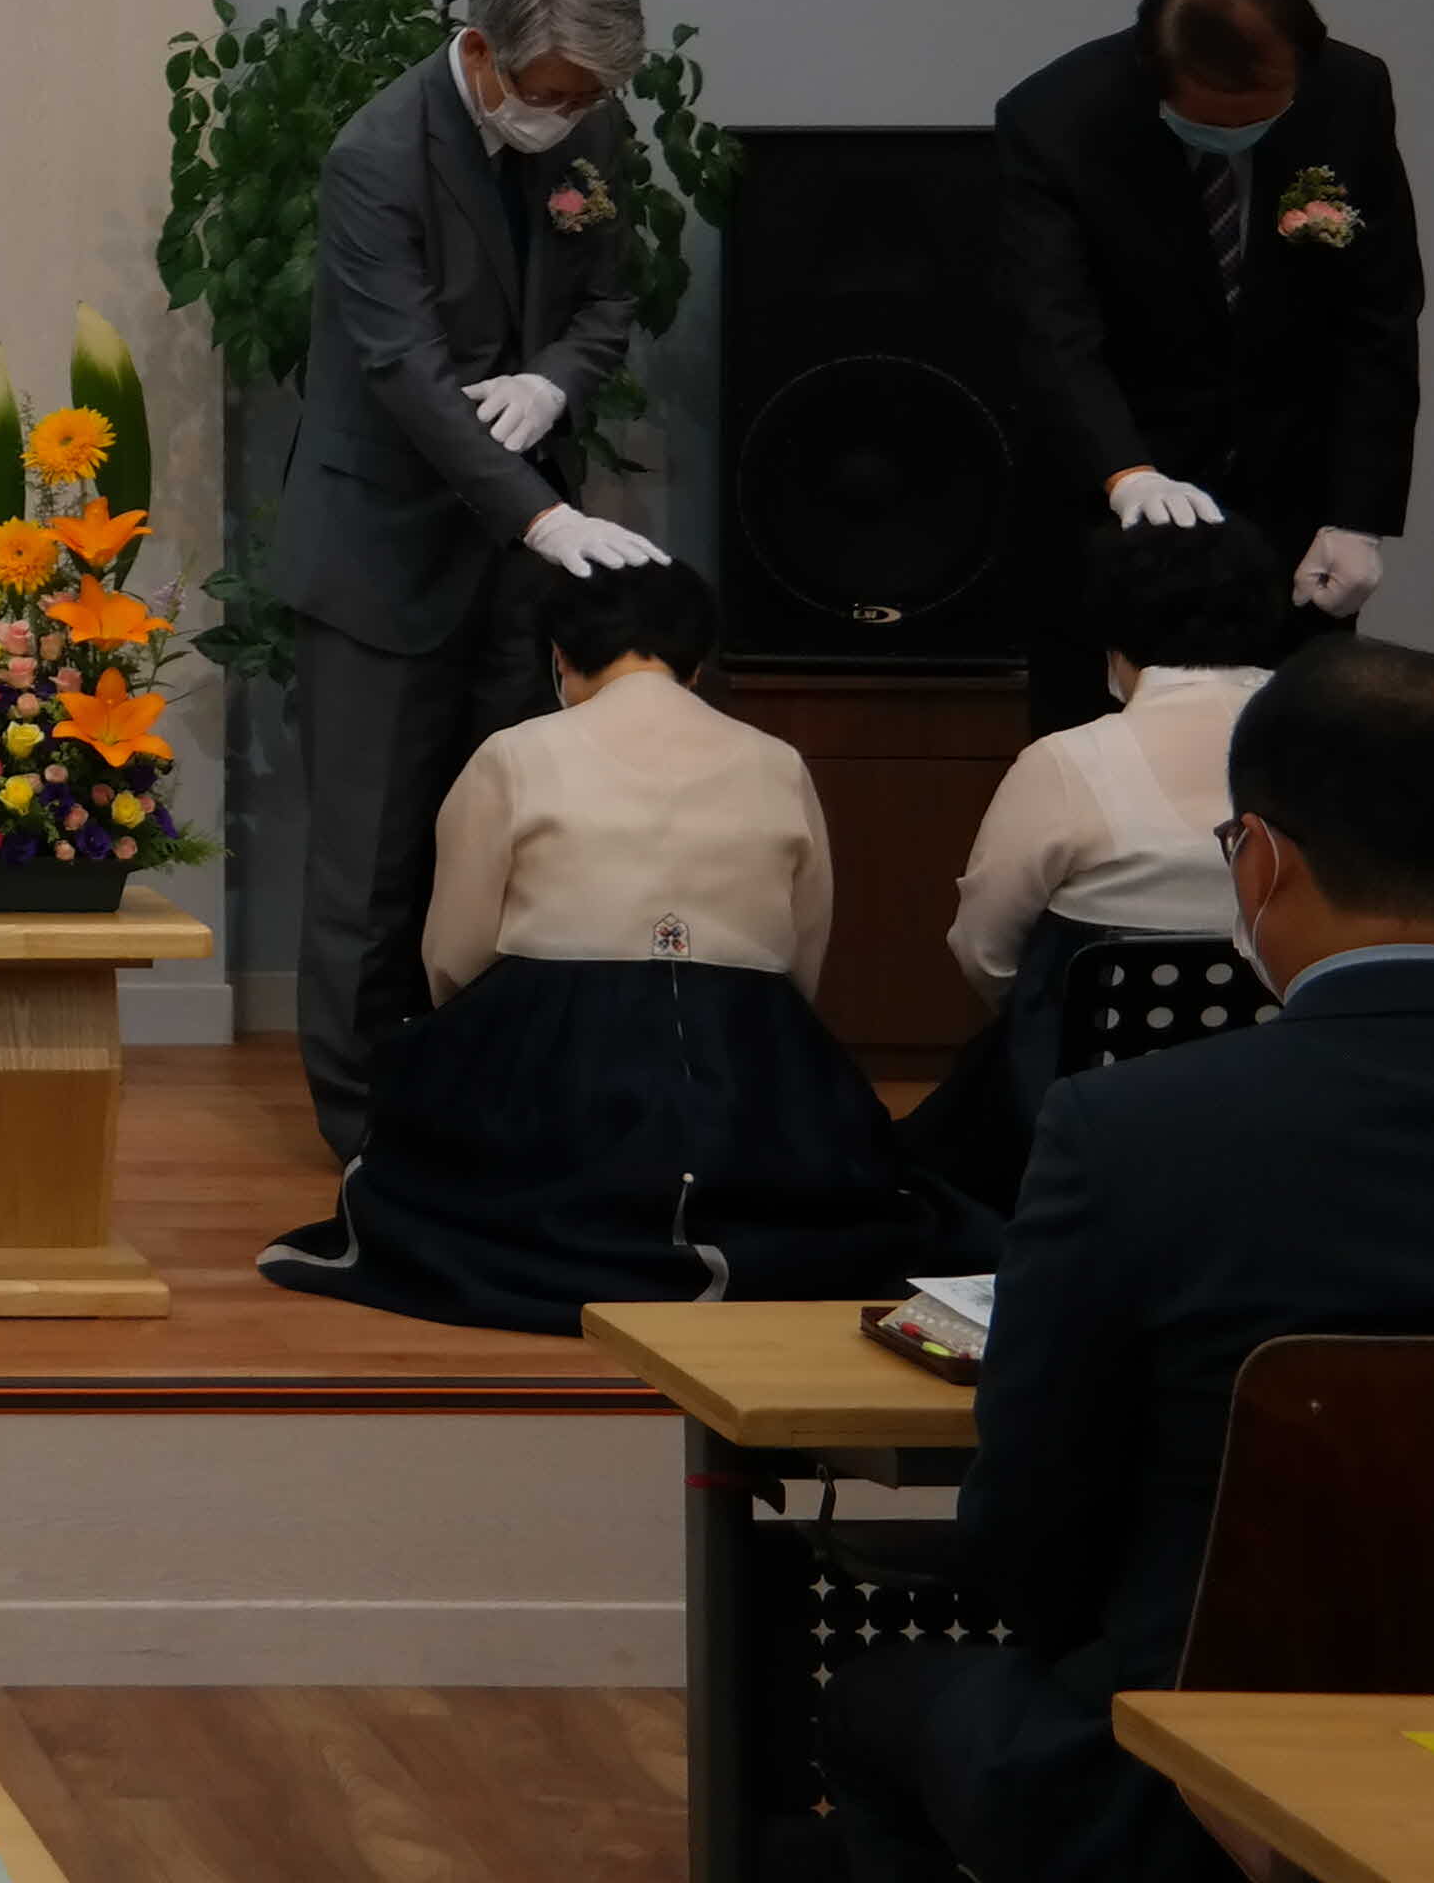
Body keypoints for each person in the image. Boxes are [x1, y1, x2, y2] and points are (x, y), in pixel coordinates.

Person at [821, 641, 1434, 1883]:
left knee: (876, 1709)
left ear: (1255, 860)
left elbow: (1031, 1537)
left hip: (1209, 1846)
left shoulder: (1127, 1133)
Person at [263, 557, 951, 1330]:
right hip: (747, 1059)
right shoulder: (777, 761)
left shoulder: (516, 753)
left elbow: (453, 956)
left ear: (560, 658)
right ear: (697, 662)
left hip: (562, 1054)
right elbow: (801, 954)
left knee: (418, 1106)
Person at [272, 0, 670, 1161]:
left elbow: (609, 298)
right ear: (485, 53)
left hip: (515, 568)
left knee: (508, 844)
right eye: (553, 94)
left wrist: (555, 382)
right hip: (383, 550)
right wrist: (542, 515)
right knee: (372, 871)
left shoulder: (591, 128)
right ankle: (365, 1140)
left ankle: (486, 1112)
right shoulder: (377, 155)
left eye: (590, 98)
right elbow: (401, 367)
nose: (571, 117)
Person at [994, 0, 1420, 734]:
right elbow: (1053, 328)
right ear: (1155, 81)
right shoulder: (1056, 118)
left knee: (1296, 749)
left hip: (1290, 500)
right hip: (1113, 502)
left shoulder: (1349, 92)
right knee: (1095, 747)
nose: (1238, 135)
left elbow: (1379, 314)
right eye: (1213, 121)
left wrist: (1358, 514)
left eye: (1261, 114)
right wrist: (1125, 473)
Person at [893, 518, 1292, 1212]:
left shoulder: (1069, 759)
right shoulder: (1332, 742)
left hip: (1082, 1107)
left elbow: (984, 948)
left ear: (1114, 641)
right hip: (1285, 1097)